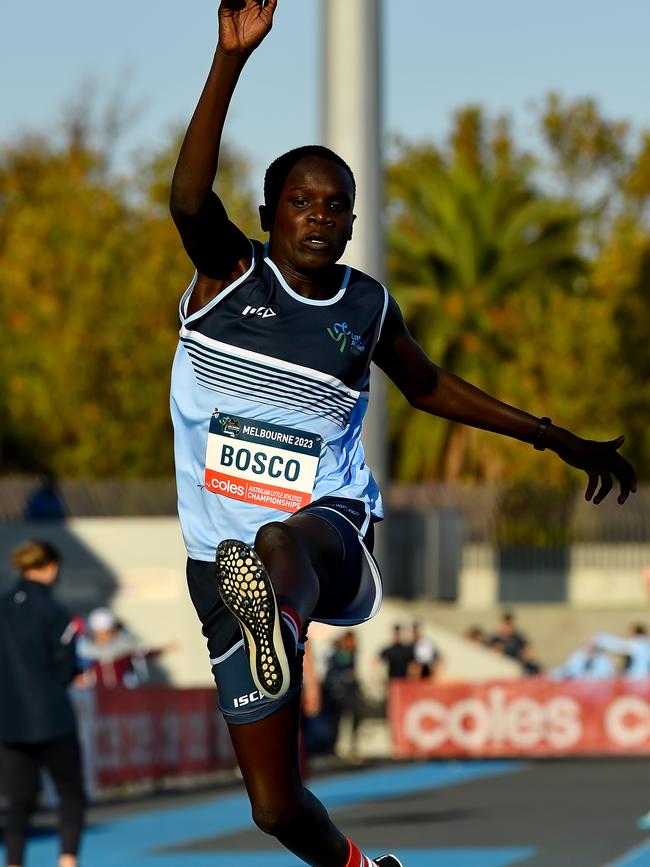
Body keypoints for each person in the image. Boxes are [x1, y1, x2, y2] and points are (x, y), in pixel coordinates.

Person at [168, 3, 636, 865]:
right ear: (269, 212)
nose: (318, 216)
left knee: (281, 538)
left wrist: (553, 435)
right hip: (217, 562)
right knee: (275, 806)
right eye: (300, 202)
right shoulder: (228, 276)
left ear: (352, 222)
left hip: (328, 524)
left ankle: (279, 615)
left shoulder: (365, 305)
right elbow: (189, 196)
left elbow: (428, 387)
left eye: (335, 206)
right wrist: (227, 60)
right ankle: (359, 866)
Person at [0, 541, 85, 867]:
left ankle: (13, 862)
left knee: (18, 801)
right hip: (52, 717)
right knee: (69, 792)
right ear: (50, 567)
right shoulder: (55, 611)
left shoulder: (3, 606)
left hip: (8, 721)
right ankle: (67, 860)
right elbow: (65, 667)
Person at [76, 608, 169, 688]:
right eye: (99, 633)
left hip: (124, 694)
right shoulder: (85, 651)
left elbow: (144, 653)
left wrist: (164, 649)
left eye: (107, 632)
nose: (103, 636)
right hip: (97, 695)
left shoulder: (125, 647)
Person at [321, 631, 364, 758]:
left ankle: (351, 746)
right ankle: (333, 747)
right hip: (338, 692)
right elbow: (334, 671)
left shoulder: (352, 653)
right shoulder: (339, 654)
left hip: (349, 691)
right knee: (335, 720)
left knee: (354, 716)